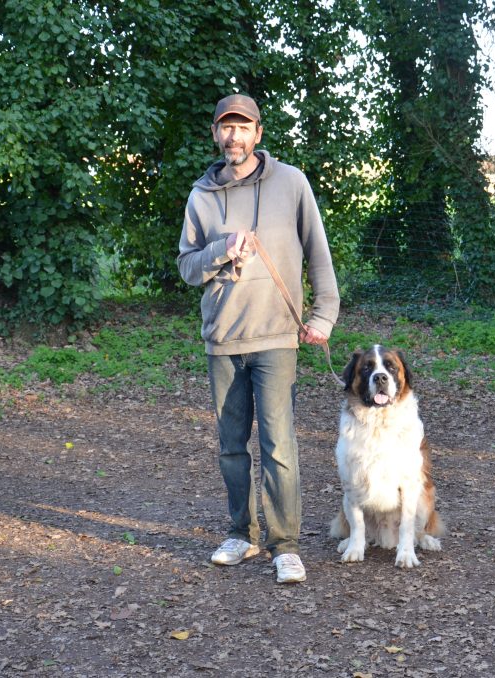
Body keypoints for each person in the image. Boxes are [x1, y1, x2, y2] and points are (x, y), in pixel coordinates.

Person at [177, 94, 339, 584]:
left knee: (279, 445)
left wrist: (324, 315)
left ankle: (284, 545)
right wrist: (221, 250)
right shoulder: (201, 196)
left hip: (276, 338)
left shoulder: (291, 183)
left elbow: (319, 253)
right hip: (224, 339)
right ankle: (240, 534)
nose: (234, 137)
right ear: (215, 135)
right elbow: (186, 267)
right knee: (231, 446)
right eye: (226, 128)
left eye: (243, 127)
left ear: (258, 134)